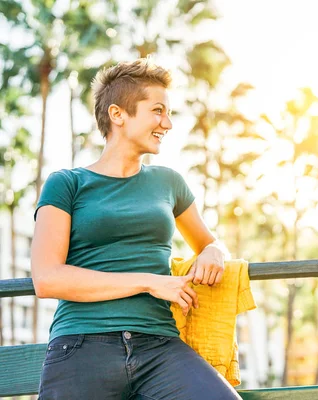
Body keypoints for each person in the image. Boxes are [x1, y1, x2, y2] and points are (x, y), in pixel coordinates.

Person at [31, 59, 242, 400]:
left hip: (159, 346)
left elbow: (209, 242)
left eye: (168, 113)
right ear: (118, 114)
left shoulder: (169, 182)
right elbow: (47, 278)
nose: (168, 123)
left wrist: (214, 250)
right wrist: (148, 281)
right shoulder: (66, 184)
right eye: (158, 111)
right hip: (82, 343)